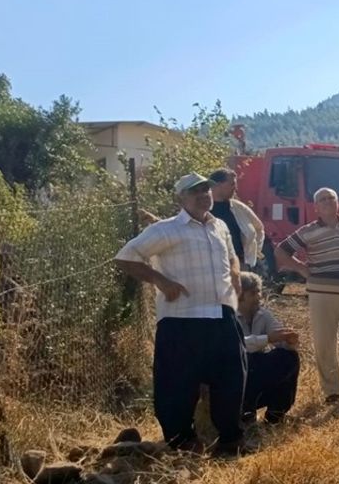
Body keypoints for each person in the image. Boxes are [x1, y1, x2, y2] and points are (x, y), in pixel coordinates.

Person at [113, 173, 247, 457]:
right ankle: (182, 442)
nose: (203, 195)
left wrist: (235, 272)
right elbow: (125, 257)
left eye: (205, 190)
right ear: (181, 198)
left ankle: (230, 441)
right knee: (177, 385)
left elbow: (233, 254)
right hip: (181, 318)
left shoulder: (219, 225)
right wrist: (160, 281)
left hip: (222, 314)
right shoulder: (166, 230)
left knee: (232, 378)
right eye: (194, 191)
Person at [275, 187, 339, 404]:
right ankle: (332, 391)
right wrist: (301, 269)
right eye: (322, 200)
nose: (328, 202)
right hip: (321, 293)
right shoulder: (308, 231)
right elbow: (281, 251)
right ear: (316, 207)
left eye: (331, 198)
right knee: (324, 342)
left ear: (338, 202)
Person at [236, 272, 301, 425]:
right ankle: (245, 412)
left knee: (289, 358)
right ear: (239, 295)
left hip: (255, 372)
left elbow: (279, 337)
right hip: (236, 375)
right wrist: (268, 339)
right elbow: (237, 346)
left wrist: (289, 341)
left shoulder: (263, 314)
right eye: (253, 293)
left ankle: (275, 416)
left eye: (259, 291)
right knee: (246, 362)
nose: (259, 296)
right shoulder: (227, 316)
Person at [208, 168, 264, 270]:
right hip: (213, 266)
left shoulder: (239, 208)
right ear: (218, 185)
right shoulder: (203, 209)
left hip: (240, 264)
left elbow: (259, 228)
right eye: (232, 184)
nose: (235, 188)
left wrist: (255, 252)